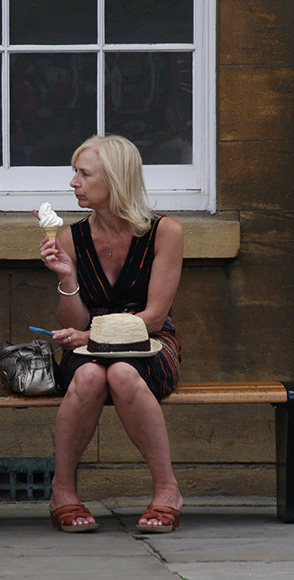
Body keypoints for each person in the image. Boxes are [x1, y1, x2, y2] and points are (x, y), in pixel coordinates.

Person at [38, 135, 185, 534]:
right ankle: (62, 491)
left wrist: (90, 339)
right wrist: (66, 279)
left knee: (121, 372)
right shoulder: (70, 238)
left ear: (116, 180)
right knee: (88, 375)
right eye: (75, 173)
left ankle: (167, 491)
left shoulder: (165, 232)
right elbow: (75, 316)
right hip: (88, 343)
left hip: (150, 343)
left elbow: (153, 318)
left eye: (84, 174)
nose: (73, 182)